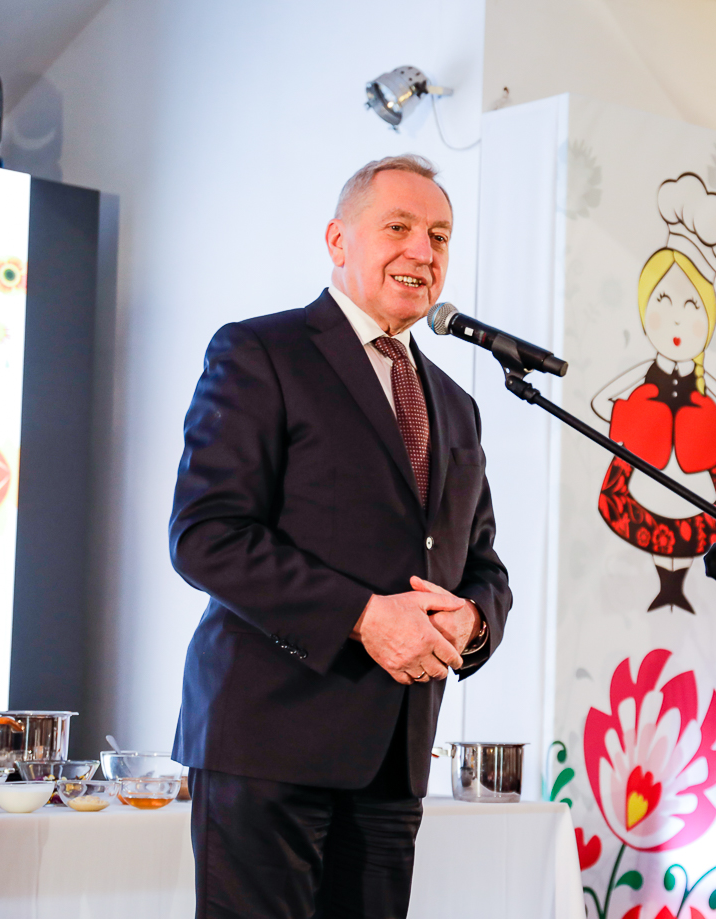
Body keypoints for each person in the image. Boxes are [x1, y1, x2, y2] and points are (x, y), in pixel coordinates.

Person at [168, 154, 511, 919]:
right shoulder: (261, 352)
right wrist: (364, 615)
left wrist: (474, 620)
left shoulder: (456, 404)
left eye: (440, 236)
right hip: (269, 744)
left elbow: (483, 563)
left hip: (395, 758)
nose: (423, 251)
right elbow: (206, 534)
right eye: (399, 227)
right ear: (337, 240)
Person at [591, 172, 716, 614]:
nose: (678, 318)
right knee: (653, 514)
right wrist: (632, 417)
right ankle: (666, 584)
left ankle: (677, 584)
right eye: (663, 301)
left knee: (693, 522)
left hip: (694, 464)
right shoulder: (645, 373)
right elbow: (601, 403)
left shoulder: (704, 382)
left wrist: (712, 427)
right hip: (649, 457)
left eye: (691, 306)